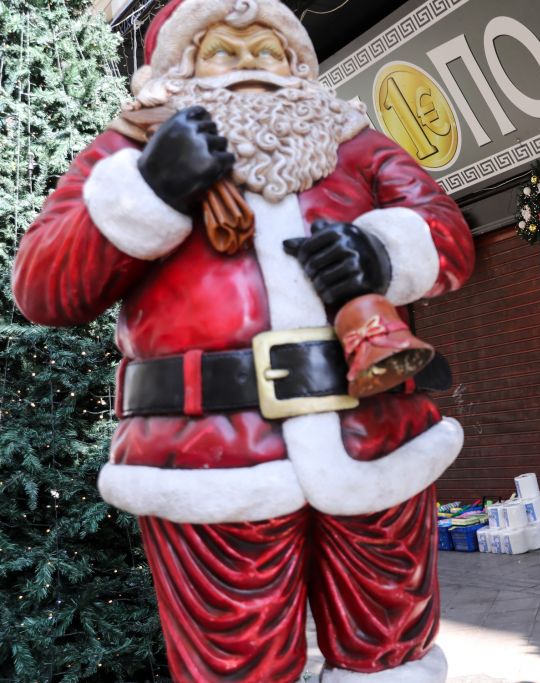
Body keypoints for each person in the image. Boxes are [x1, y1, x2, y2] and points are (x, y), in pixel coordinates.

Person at [12, 1, 474, 681]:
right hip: (208, 452)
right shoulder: (132, 150)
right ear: (181, 66)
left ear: (297, 65)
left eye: (269, 50)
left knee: (391, 652)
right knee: (238, 665)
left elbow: (446, 229)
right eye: (225, 51)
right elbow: (43, 285)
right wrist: (155, 189)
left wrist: (379, 251)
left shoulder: (352, 143)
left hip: (375, 436)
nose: (252, 66)